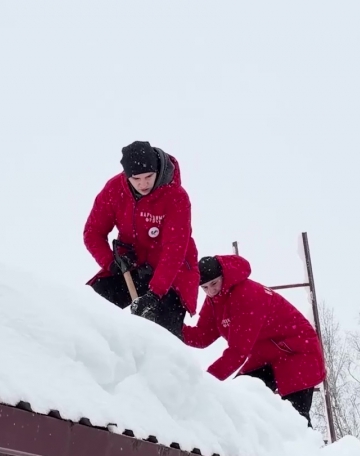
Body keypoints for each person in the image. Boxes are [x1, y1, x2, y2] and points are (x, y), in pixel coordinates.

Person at [181, 254, 327, 426]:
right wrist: (173, 327)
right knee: (240, 399)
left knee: (296, 420)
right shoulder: (215, 300)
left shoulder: (246, 295)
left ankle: (310, 451)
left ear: (224, 276)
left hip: (297, 351)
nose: (210, 291)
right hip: (268, 355)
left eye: (214, 283)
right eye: (204, 287)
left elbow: (237, 352)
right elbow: (202, 336)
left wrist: (204, 382)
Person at [83, 141, 200, 339]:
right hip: (131, 266)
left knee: (162, 338)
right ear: (126, 175)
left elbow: (174, 250)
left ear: (157, 170)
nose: (143, 184)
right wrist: (111, 264)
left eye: (149, 177)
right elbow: (93, 232)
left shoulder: (176, 196)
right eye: (136, 179)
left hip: (172, 275)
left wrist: (155, 294)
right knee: (89, 307)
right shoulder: (114, 190)